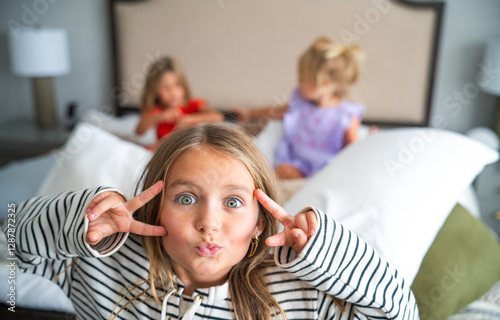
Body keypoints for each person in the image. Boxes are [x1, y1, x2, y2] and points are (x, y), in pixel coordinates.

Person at [6, 124, 418, 320]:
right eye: (186, 199)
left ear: (259, 222)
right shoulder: (96, 265)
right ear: (157, 207)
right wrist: (84, 215)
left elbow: (399, 314)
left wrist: (325, 248)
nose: (209, 223)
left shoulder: (299, 296)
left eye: (234, 202)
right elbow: (12, 242)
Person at [235, 36, 365, 179]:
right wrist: (250, 113)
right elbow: (276, 111)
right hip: (297, 165)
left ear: (325, 84)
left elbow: (353, 152)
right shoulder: (301, 104)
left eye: (303, 80)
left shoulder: (345, 115)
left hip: (325, 170)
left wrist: (370, 141)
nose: (299, 84)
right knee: (280, 171)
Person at [135, 56, 223, 142]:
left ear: (184, 84)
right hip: (165, 148)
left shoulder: (192, 104)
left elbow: (218, 117)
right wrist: (158, 117)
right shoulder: (157, 110)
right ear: (154, 90)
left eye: (177, 84)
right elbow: (139, 131)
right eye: (165, 87)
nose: (173, 92)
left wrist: (190, 119)